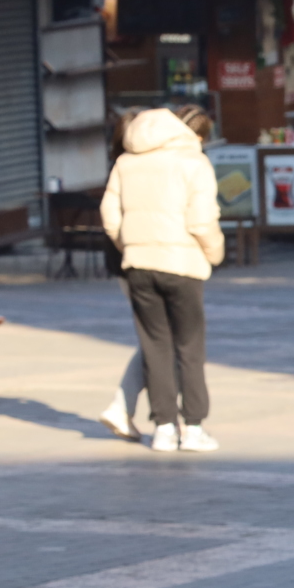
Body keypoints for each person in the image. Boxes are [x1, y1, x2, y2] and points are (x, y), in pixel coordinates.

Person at [99, 107, 224, 453]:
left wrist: (131, 244)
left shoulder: (125, 162)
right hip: (182, 262)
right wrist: (214, 253)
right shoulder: (193, 162)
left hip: (139, 263)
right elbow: (202, 221)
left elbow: (110, 215)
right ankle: (194, 426)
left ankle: (165, 428)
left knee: (155, 347)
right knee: (189, 347)